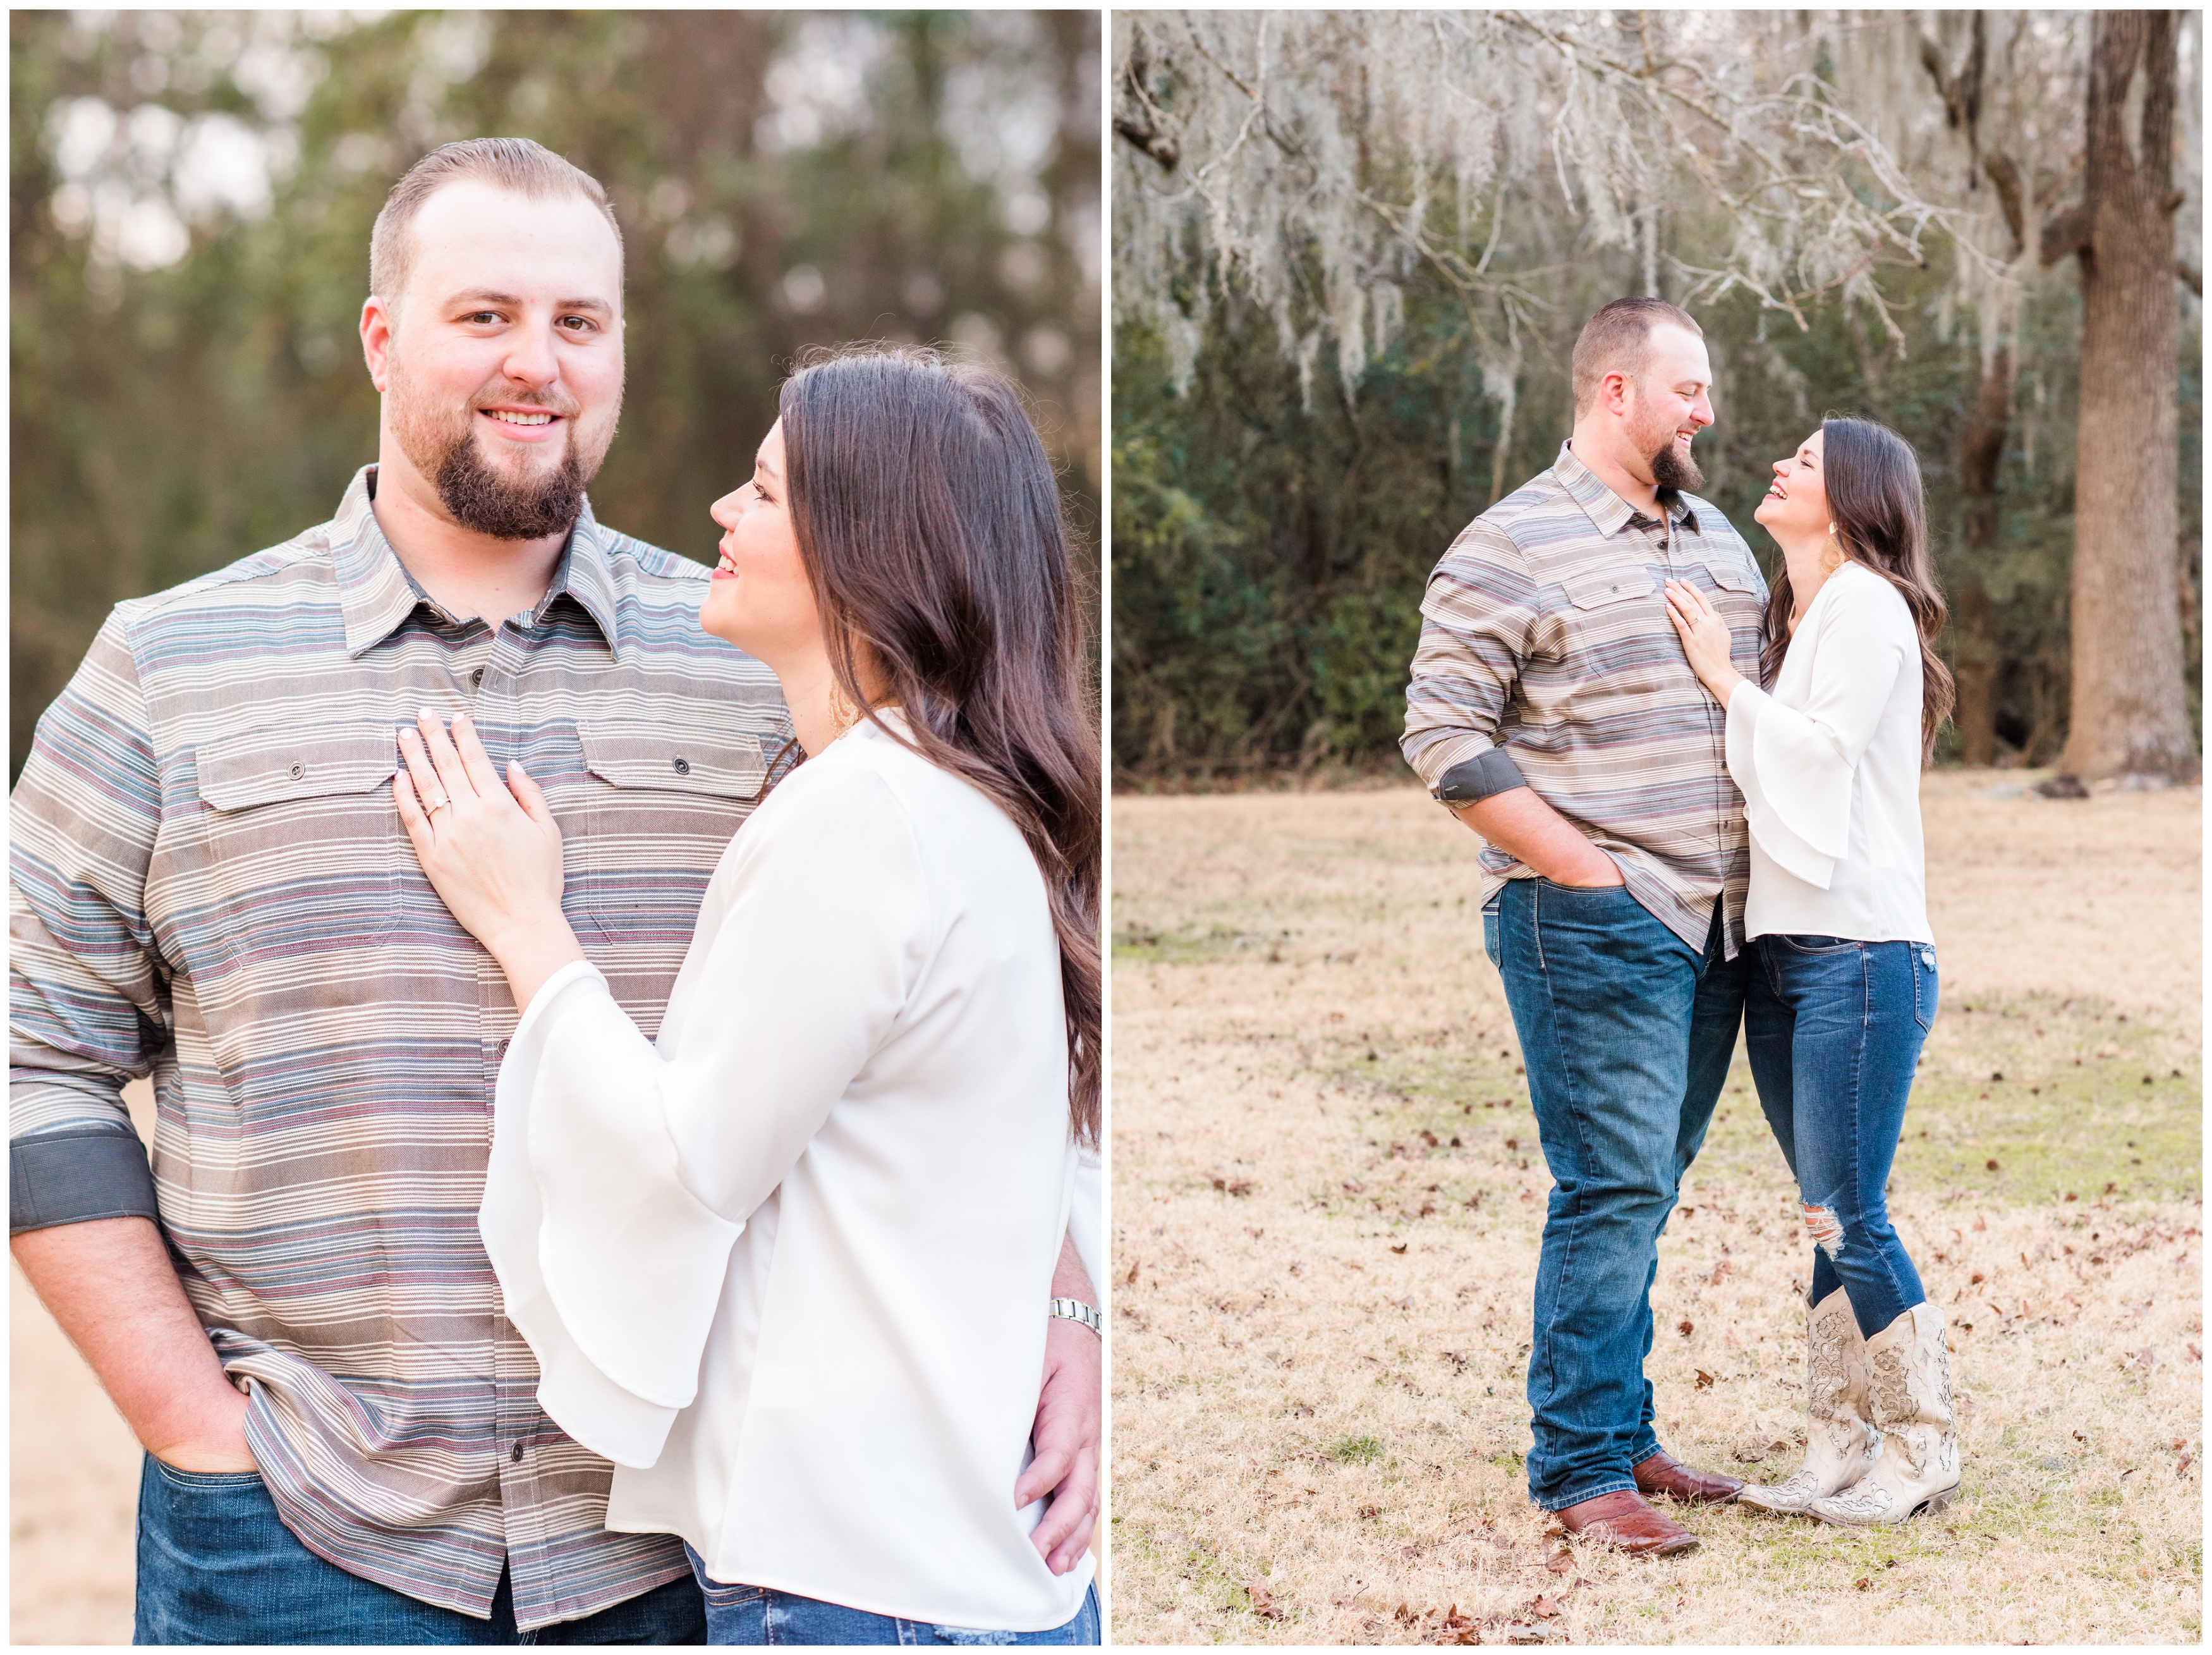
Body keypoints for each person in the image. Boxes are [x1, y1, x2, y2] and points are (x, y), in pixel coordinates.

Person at [8, 138, 1099, 1645]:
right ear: (382, 336)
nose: (539, 364)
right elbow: (34, 1061)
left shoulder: (767, 666)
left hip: (667, 1546)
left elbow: (949, 1026)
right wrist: (199, 1429)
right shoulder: (163, 671)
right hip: (298, 1534)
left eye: (580, 324)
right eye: (486, 316)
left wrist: (1061, 1303)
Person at [394, 345, 1100, 1644]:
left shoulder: (869, 816)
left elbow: (689, 1162)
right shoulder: (962, 799)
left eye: (765, 493)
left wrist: (526, 927)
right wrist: (1074, 1308)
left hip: (859, 1577)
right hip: (949, 1556)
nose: (722, 512)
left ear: (869, 548)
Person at [1400, 296, 1765, 1557]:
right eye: (1687, 389)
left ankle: (1624, 1424)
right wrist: (1584, 871)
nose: (1704, 412)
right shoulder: (1511, 543)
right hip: (1595, 923)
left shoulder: (1718, 539)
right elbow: (1441, 731)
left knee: (1645, 1190)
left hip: (1720, 925)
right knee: (1609, 1185)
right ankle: (1577, 1467)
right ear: (1615, 390)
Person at [1661, 416, 1959, 1527]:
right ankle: (1839, 1444)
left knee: (1851, 1210)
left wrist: (1721, 681)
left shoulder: (1869, 607)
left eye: (1804, 460)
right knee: (1825, 1213)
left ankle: (1922, 1445)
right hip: (1789, 952)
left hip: (1864, 955)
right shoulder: (1807, 613)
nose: (1780, 466)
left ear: (1848, 498)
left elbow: (1821, 755)